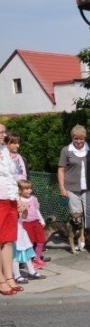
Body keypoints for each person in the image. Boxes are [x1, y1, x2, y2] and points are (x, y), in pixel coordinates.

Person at [57, 125, 90, 252]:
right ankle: (81, 238)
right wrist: (62, 188)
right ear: (72, 138)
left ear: (85, 138)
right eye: (76, 139)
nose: (79, 142)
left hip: (89, 187)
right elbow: (61, 170)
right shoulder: (66, 150)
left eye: (81, 139)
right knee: (77, 216)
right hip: (72, 188)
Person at [0, 122, 23, 296]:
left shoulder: (5, 151)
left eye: (4, 132)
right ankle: (0, 279)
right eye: (0, 132)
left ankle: (9, 277)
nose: (3, 135)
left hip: (9, 199)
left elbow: (11, 177)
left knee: (8, 240)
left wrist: (17, 198)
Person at [11, 181, 45, 283]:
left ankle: (31, 271)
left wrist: (24, 210)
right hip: (15, 231)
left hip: (21, 230)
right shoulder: (13, 201)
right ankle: (16, 275)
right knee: (15, 254)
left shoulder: (20, 201)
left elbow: (23, 218)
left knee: (26, 251)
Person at [18, 179, 47, 269]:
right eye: (26, 189)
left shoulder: (34, 199)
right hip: (26, 224)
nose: (29, 190)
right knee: (29, 243)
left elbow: (37, 210)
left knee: (41, 241)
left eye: (30, 188)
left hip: (36, 223)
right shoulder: (18, 200)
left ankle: (37, 258)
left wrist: (42, 220)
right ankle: (29, 261)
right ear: (20, 190)